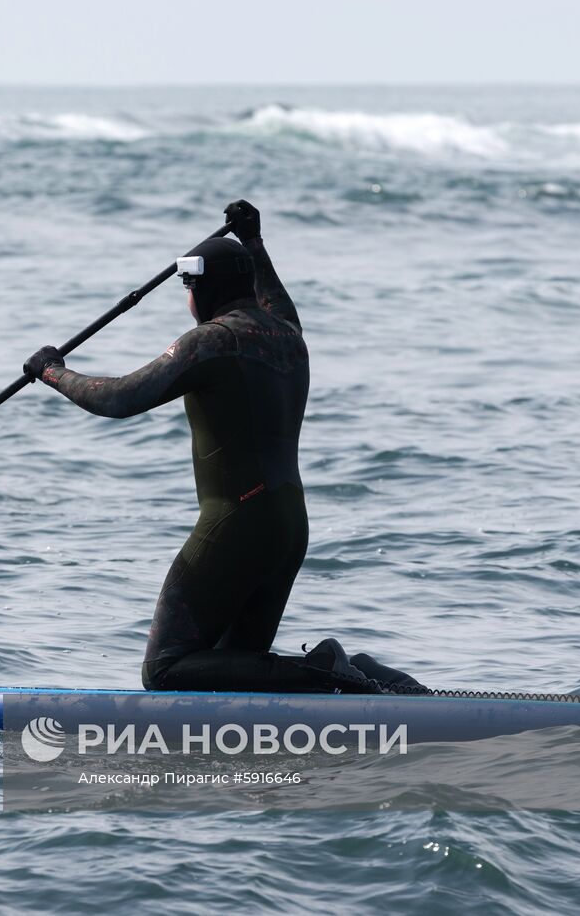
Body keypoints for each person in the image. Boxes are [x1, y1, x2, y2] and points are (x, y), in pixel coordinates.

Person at [24, 200, 425, 694]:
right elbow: (274, 298)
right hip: (287, 526)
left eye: (189, 288)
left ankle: (322, 667)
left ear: (201, 289)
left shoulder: (210, 342)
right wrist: (254, 242)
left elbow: (119, 398)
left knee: (166, 670)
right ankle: (359, 674)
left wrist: (52, 370)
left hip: (237, 526)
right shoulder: (287, 336)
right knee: (233, 674)